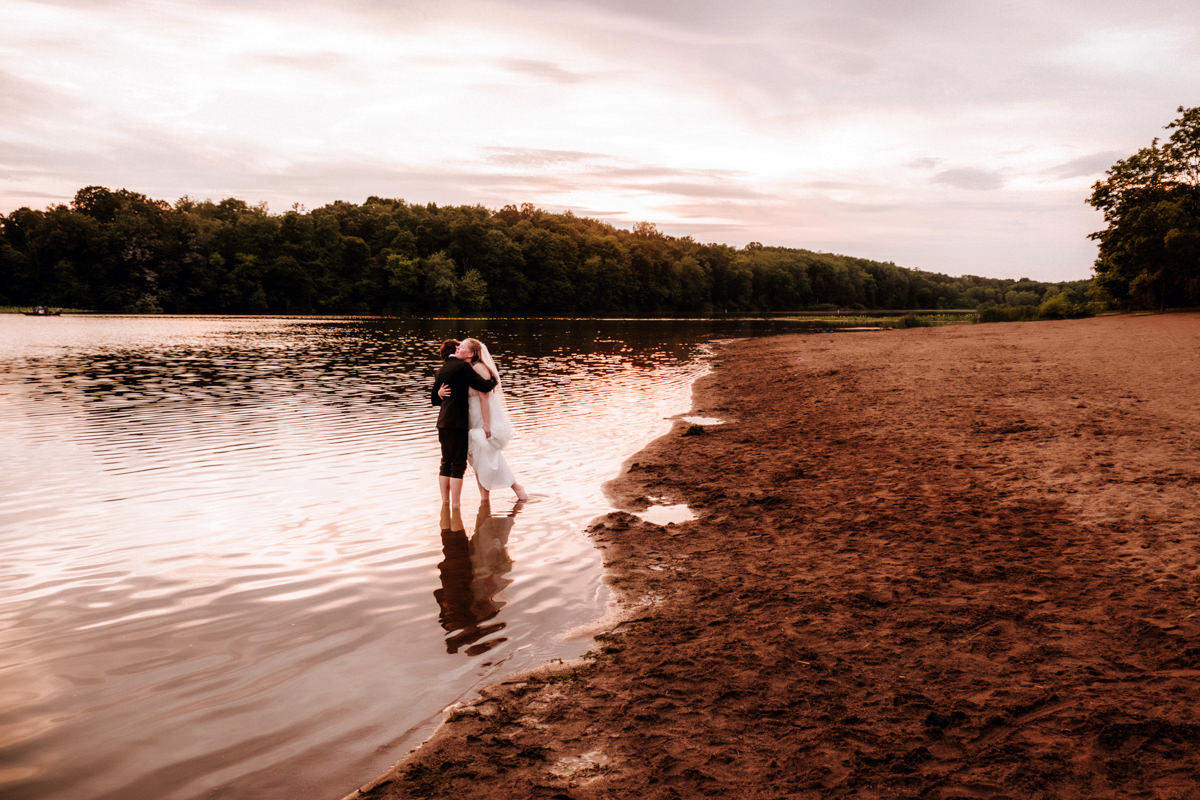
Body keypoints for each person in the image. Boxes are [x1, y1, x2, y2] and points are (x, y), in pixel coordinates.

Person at [457, 337, 528, 501]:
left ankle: (516, 487)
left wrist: (487, 425)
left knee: (490, 456)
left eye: (462, 347)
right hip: (472, 417)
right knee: (476, 459)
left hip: (483, 417)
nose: (458, 348)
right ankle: (484, 498)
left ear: (472, 353)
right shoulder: (468, 367)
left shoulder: (480, 368)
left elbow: (484, 398)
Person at [431, 339, 497, 507]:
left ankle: (445, 503)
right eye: (459, 346)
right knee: (458, 464)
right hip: (457, 423)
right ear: (456, 349)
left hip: (443, 422)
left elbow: (434, 400)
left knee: (445, 462)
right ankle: (455, 506)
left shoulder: (442, 369)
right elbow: (484, 386)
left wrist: (439, 394)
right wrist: (494, 380)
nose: (461, 348)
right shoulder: (462, 367)